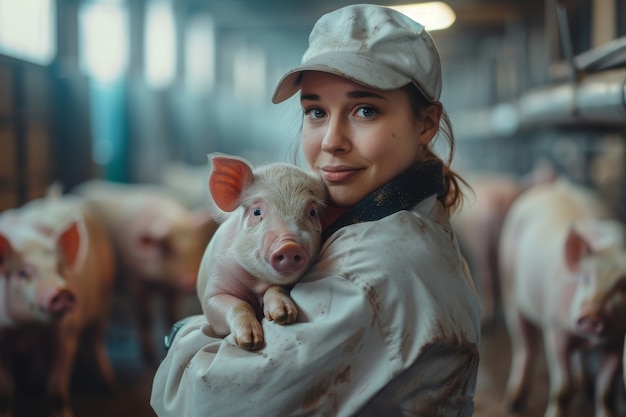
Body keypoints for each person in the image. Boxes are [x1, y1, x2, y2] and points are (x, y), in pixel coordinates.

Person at [150, 4, 481, 416]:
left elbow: (205, 402)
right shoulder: (409, 220)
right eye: (316, 112)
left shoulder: (369, 273)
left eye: (365, 110)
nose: (331, 141)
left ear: (426, 123)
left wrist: (188, 332)